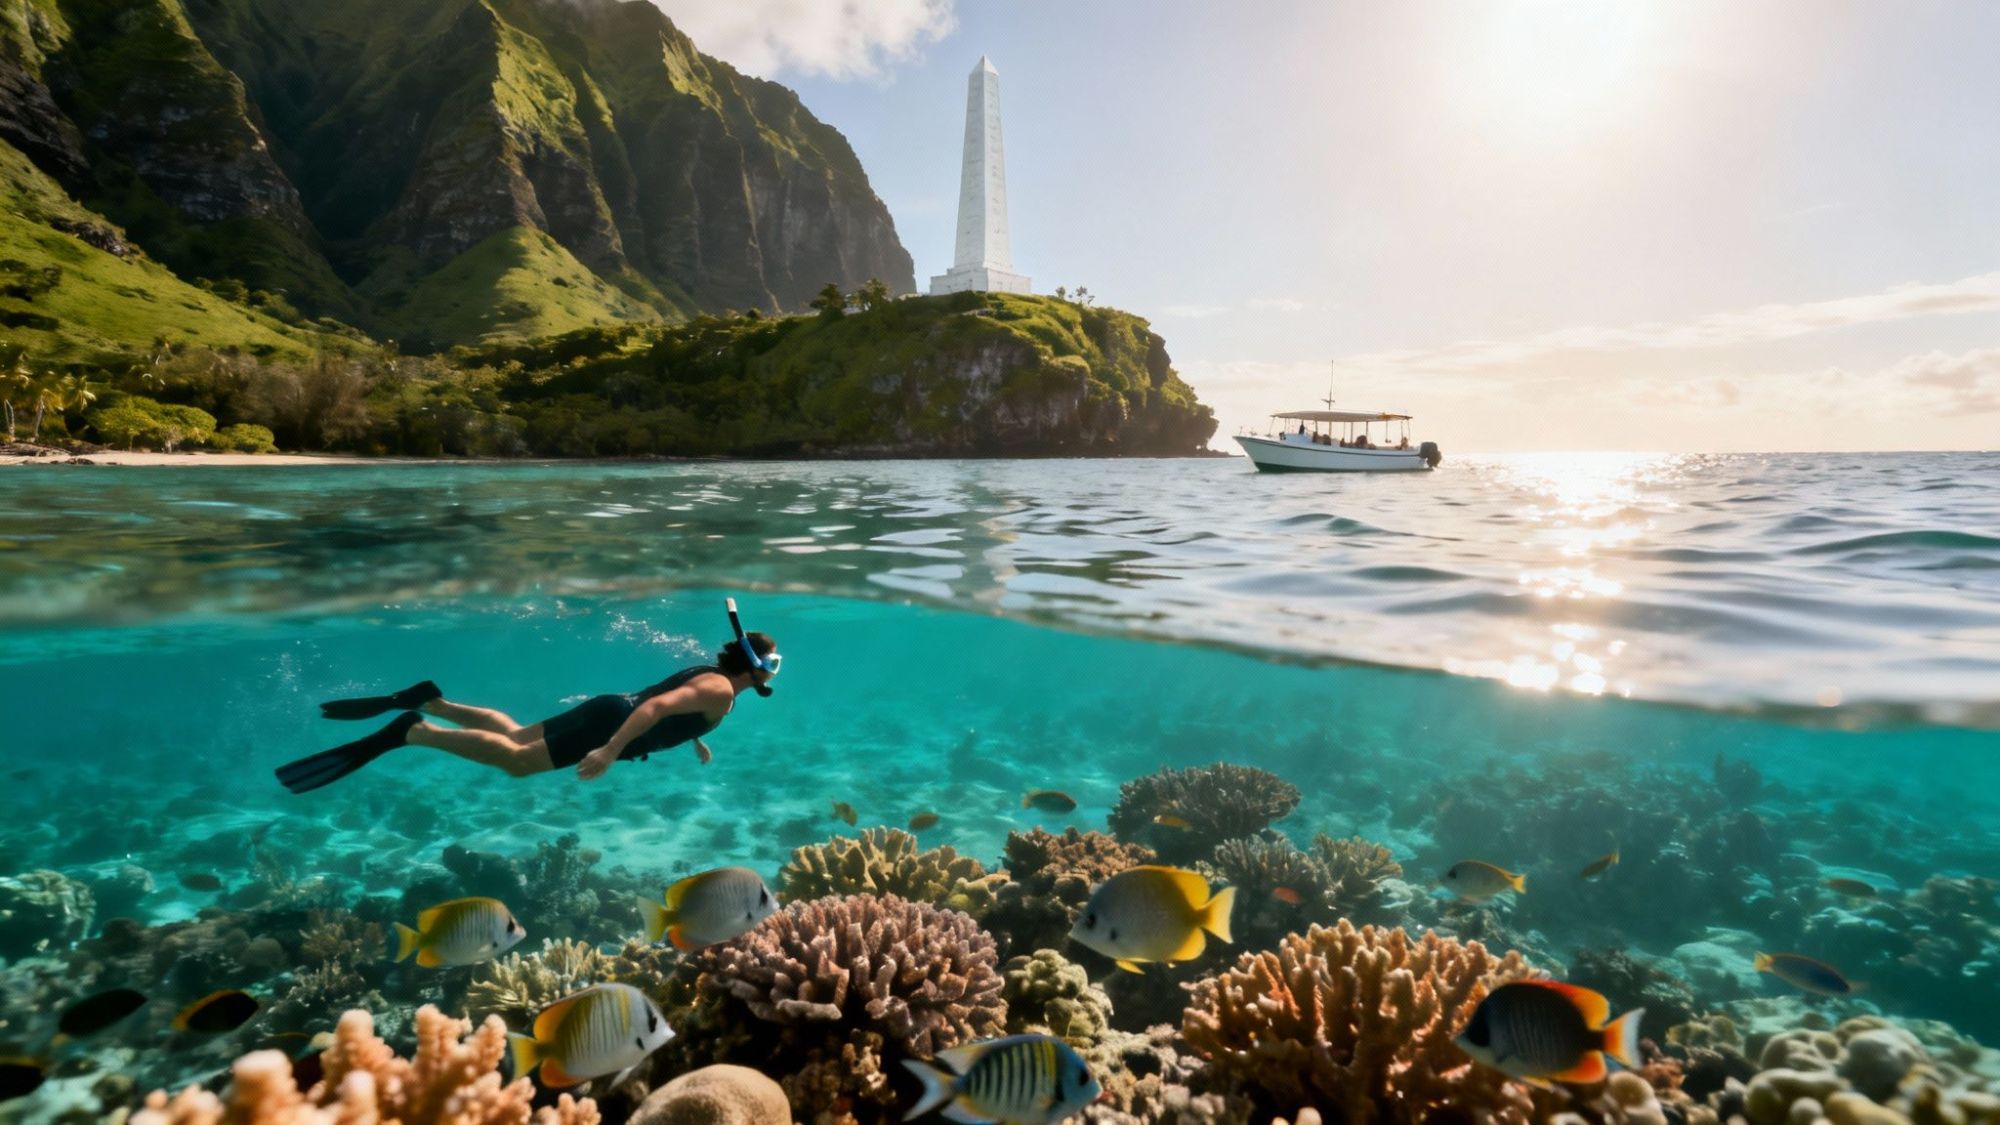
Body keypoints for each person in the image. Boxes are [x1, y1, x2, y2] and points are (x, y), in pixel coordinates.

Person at [276, 600, 780, 792]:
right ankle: (414, 731)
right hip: (614, 725)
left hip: (609, 706)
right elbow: (657, 708)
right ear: (754, 667)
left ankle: (435, 702)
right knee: (518, 762)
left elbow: (674, 706)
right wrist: (607, 751)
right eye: (772, 664)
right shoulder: (718, 690)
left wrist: (693, 741)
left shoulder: (710, 679)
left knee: (516, 733)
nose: (775, 671)